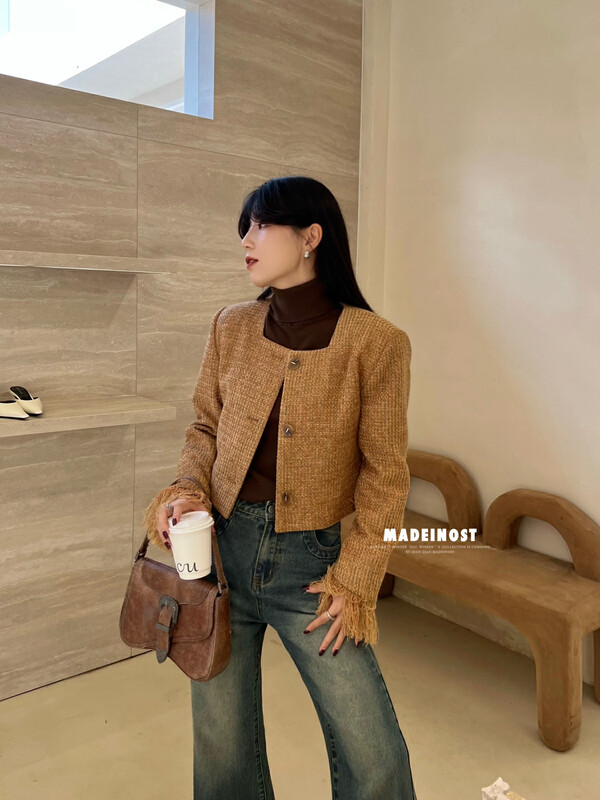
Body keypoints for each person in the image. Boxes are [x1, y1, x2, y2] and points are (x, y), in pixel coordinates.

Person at [142, 176, 417, 800]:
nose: (247, 239)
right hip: (219, 559)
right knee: (223, 750)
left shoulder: (376, 344)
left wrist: (357, 576)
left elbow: (385, 474)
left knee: (374, 751)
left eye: (262, 225)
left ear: (310, 236)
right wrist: (186, 492)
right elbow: (205, 429)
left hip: (313, 569)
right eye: (245, 227)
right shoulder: (231, 325)